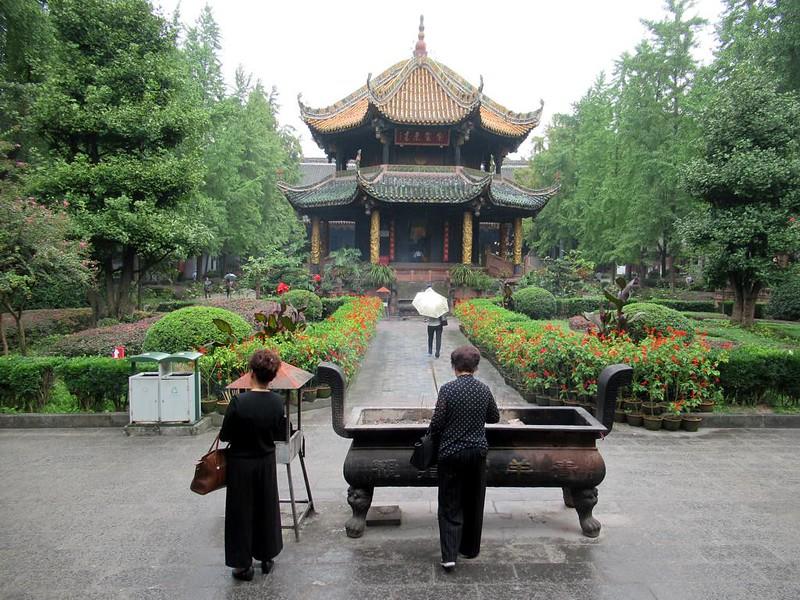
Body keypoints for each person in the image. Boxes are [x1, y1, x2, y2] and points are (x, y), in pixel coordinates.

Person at [427, 345, 499, 572]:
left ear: (453, 366)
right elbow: (494, 417)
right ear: (476, 367)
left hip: (451, 453)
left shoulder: (447, 390)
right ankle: (470, 548)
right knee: (474, 500)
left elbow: (437, 424)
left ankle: (449, 555)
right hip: (477, 453)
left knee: (450, 504)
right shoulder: (484, 390)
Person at [219, 349, 287, 581]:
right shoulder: (278, 402)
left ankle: (242, 564)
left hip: (240, 464)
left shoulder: (239, 402)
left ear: (251, 373)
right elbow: (279, 433)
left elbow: (226, 435)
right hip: (266, 462)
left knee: (240, 512)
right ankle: (267, 557)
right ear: (273, 376)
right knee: (266, 508)